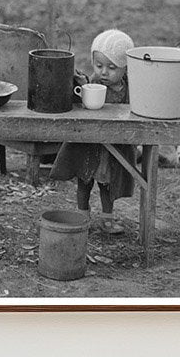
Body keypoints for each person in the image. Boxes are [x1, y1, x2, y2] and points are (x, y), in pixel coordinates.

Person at [49, 29, 135, 234]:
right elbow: (77, 101)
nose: (104, 72)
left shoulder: (130, 89)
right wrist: (76, 85)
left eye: (112, 67)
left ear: (126, 67)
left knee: (108, 183)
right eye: (99, 65)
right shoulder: (91, 85)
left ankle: (107, 219)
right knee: (84, 181)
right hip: (88, 145)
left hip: (114, 146)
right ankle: (81, 216)